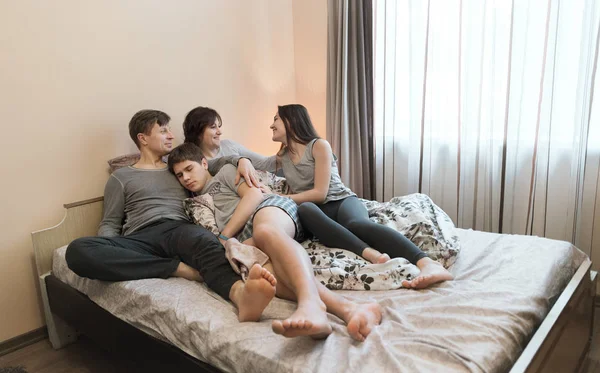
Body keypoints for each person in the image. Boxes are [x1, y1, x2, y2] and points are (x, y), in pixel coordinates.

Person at [65, 109, 277, 322]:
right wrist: (112, 251)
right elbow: (110, 223)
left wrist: (242, 160)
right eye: (164, 130)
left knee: (204, 241)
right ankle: (178, 269)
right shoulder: (121, 177)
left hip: (179, 229)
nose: (171, 136)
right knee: (76, 251)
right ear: (143, 138)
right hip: (140, 237)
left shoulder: (177, 169)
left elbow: (209, 163)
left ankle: (241, 295)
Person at [168, 143, 382, 341]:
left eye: (189, 169)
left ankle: (311, 303)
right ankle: (349, 309)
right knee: (264, 273)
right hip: (244, 237)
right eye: (179, 175)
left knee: (264, 231)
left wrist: (225, 235)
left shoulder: (224, 173)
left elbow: (253, 195)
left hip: (269, 209)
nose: (185, 177)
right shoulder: (195, 202)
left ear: (204, 164)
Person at [271, 104, 454, 289]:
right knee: (305, 209)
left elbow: (320, 193)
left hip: (342, 201)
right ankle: (370, 254)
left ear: (291, 120)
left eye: (276, 119)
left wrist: (284, 197)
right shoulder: (282, 157)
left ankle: (427, 263)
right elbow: (246, 157)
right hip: (318, 212)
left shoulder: (318, 146)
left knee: (356, 224)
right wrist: (245, 162)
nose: (272, 125)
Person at [183, 106, 274, 187]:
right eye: (213, 127)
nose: (219, 132)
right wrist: (240, 160)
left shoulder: (229, 145)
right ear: (198, 132)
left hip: (263, 189)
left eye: (219, 126)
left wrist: (286, 149)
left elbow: (265, 163)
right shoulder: (192, 161)